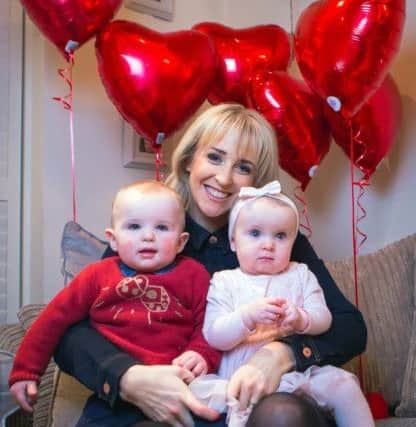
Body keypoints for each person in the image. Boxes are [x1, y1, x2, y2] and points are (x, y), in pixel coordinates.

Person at [52, 103, 367, 427]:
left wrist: (283, 354)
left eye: (243, 167)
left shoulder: (276, 242)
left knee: (284, 415)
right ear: (190, 159)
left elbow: (350, 327)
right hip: (146, 409)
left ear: (255, 182)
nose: (225, 177)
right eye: (214, 157)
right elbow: (68, 334)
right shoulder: (149, 231)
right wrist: (126, 377)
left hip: (251, 408)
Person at [9, 180, 221, 426]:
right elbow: (53, 319)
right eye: (133, 226)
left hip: (181, 389)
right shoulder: (96, 276)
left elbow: (210, 323)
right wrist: (26, 371)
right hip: (114, 398)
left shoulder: (194, 275)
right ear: (113, 239)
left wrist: (201, 353)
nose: (148, 236)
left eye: (162, 228)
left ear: (181, 241)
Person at [189, 181, 374, 427]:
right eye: (255, 233)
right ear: (234, 242)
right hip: (240, 376)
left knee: (345, 385)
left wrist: (301, 319)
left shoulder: (300, 274)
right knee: (223, 406)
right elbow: (214, 334)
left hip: (295, 375)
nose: (268, 244)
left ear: (293, 242)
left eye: (280, 235)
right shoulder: (225, 281)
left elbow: (325, 318)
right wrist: (246, 317)